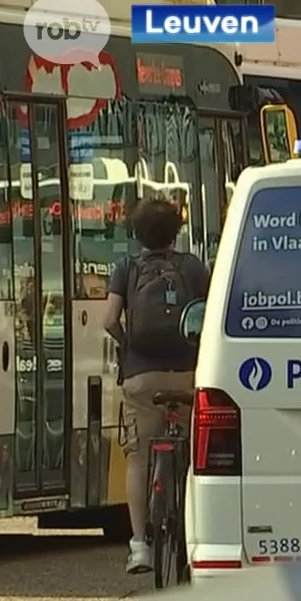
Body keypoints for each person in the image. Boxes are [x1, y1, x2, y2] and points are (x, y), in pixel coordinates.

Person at [103, 198, 211, 575]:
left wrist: (127, 343)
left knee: (139, 456)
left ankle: (139, 546)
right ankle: (189, 530)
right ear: (176, 232)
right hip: (186, 375)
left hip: (141, 377)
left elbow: (108, 319)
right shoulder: (194, 267)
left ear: (137, 234)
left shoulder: (126, 268)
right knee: (193, 454)